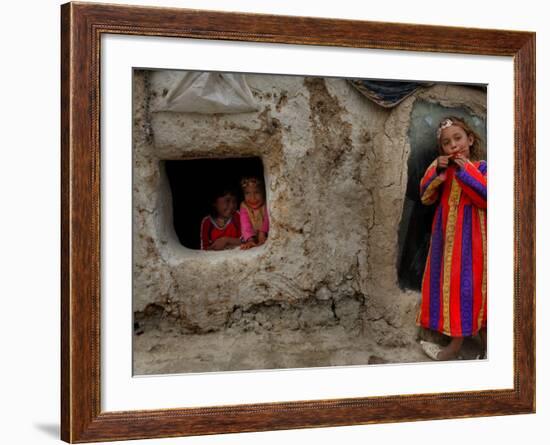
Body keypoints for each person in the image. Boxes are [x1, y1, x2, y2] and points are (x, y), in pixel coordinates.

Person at [417, 116, 487, 361]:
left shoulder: (482, 168)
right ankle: (467, 348)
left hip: (475, 244)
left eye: (458, 138)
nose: (454, 145)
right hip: (446, 244)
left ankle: (464, 349)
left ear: (470, 139)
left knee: (472, 290)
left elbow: (487, 196)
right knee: (455, 291)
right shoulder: (444, 172)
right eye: (447, 143)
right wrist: (437, 168)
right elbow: (425, 195)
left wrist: (464, 168)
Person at [239, 176, 270, 249]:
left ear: (264, 192)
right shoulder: (244, 206)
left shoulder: (267, 202)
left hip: (266, 234)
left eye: (256, 192)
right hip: (250, 237)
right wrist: (250, 240)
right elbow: (245, 224)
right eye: (247, 193)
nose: (252, 198)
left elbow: (268, 218)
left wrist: (262, 233)